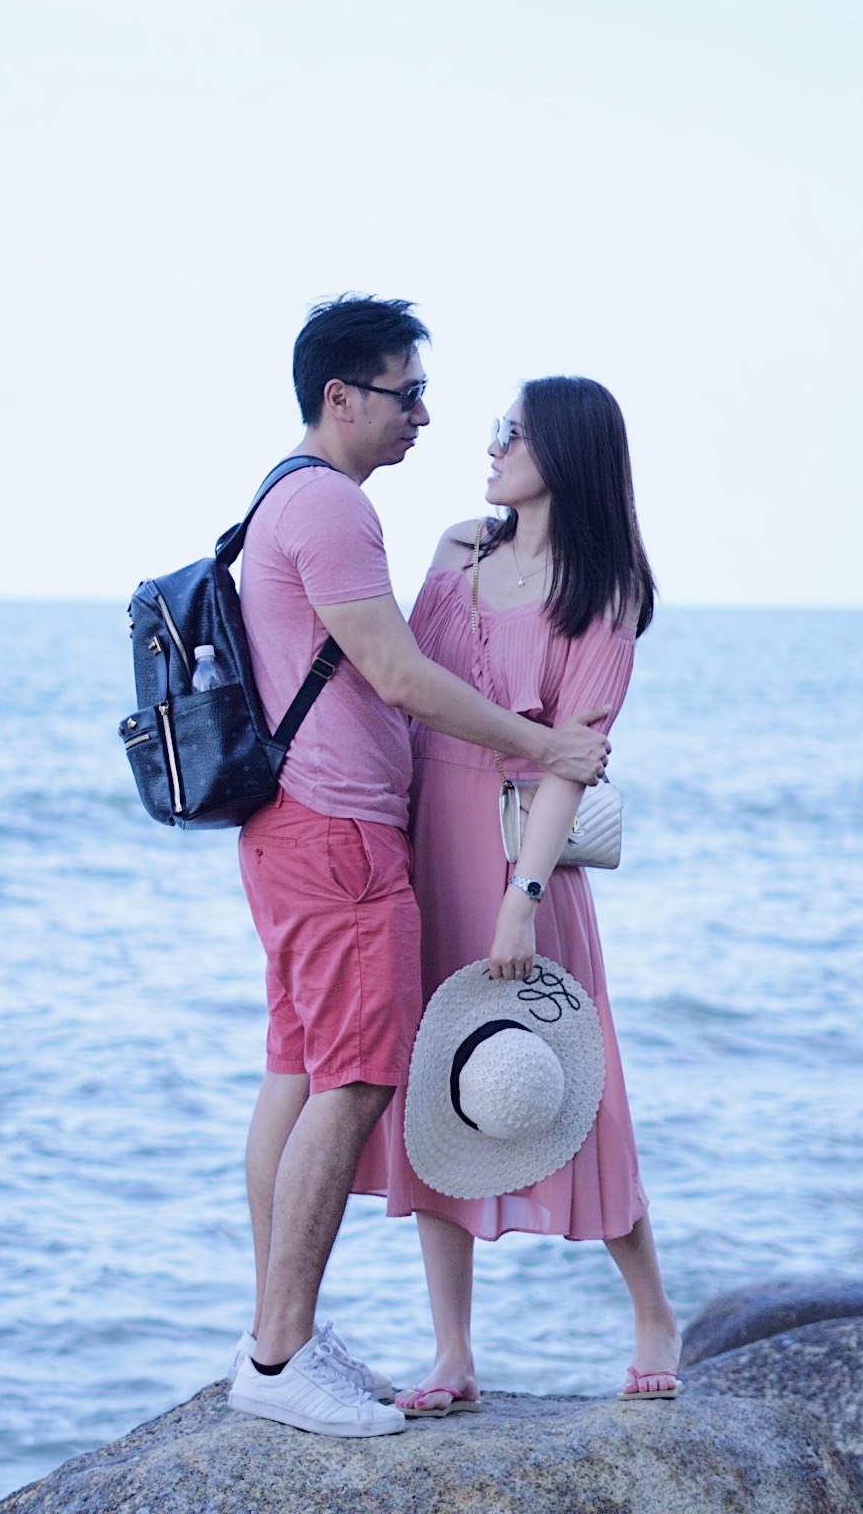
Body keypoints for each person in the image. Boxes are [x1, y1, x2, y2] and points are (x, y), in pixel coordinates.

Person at [228, 299, 612, 1439]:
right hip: (339, 833)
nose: (426, 417)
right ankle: (278, 1354)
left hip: (291, 825)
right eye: (408, 394)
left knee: (299, 1070)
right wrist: (544, 744)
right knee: (353, 1081)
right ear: (341, 396)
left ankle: (278, 1336)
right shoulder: (332, 506)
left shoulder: (282, 495)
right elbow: (397, 674)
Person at [355, 375, 681, 1413]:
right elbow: (401, 687)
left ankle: (654, 1313)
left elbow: (569, 765)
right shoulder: (458, 547)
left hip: (518, 853)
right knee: (441, 1085)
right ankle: (451, 1352)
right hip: (426, 838)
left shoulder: (604, 592)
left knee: (578, 1088)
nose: (492, 446)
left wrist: (521, 898)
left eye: (513, 433)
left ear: (566, 452)